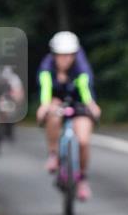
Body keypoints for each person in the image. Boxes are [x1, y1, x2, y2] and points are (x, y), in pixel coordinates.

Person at [36, 32, 101, 200]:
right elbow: (45, 86)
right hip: (56, 99)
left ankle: (82, 179)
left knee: (84, 140)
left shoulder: (81, 65)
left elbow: (84, 86)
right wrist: (44, 105)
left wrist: (91, 105)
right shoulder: (47, 66)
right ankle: (53, 154)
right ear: (54, 54)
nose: (66, 59)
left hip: (78, 100)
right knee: (54, 114)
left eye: (69, 55)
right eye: (61, 55)